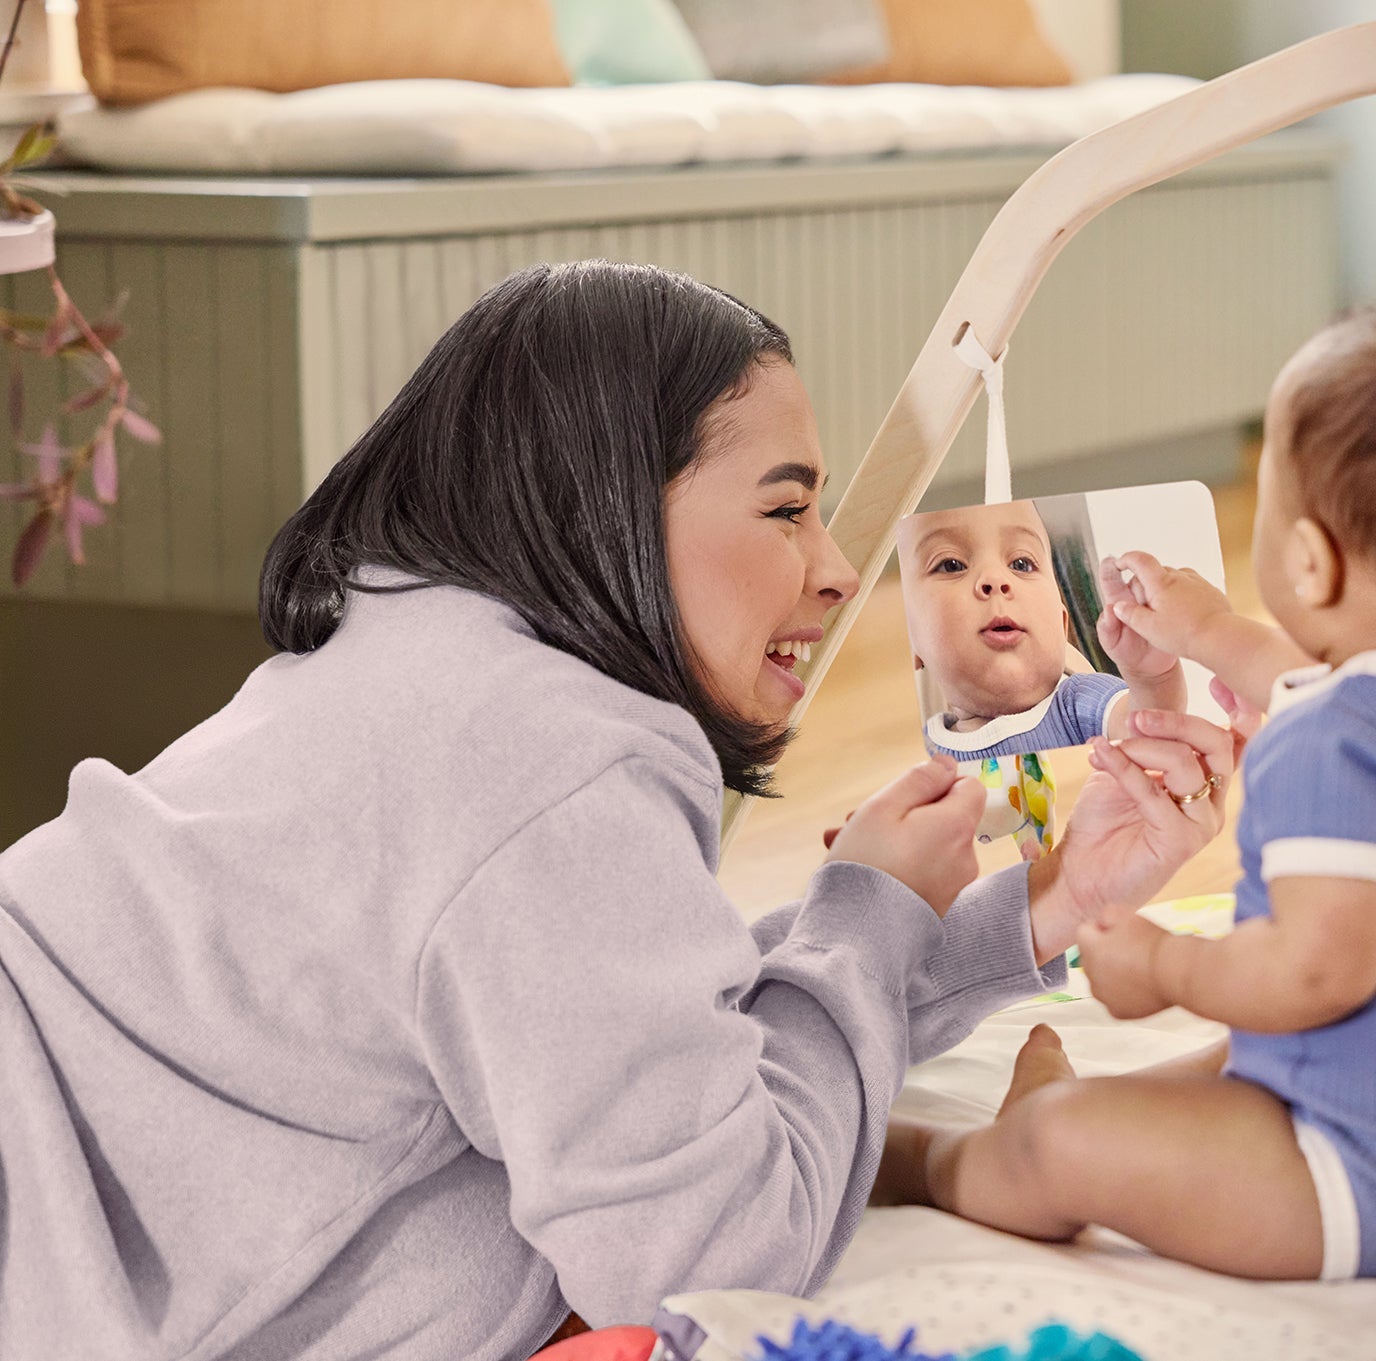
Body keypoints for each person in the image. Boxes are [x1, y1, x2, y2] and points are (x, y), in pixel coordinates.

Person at [0, 262, 1236, 1360]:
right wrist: (864, 920)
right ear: (601, 501)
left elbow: (618, 1044)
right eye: (784, 506)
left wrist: (1043, 901)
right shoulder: (548, 758)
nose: (840, 566)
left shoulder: (417, 670)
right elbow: (715, 1252)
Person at [883, 300, 1376, 1281]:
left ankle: (953, 1157)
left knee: (1074, 1143)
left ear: (1308, 558)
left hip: (1369, 1178)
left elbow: (1314, 974)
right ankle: (1054, 1110)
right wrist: (1207, 627)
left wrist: (1165, 967)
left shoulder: (1324, 750)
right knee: (1203, 1076)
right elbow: (1311, 677)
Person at [899, 501, 1186, 760]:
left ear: (1062, 626)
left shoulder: (1078, 704)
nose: (995, 579)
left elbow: (1147, 728)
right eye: (951, 565)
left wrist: (1152, 677)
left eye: (1021, 563)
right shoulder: (928, 752)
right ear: (916, 650)